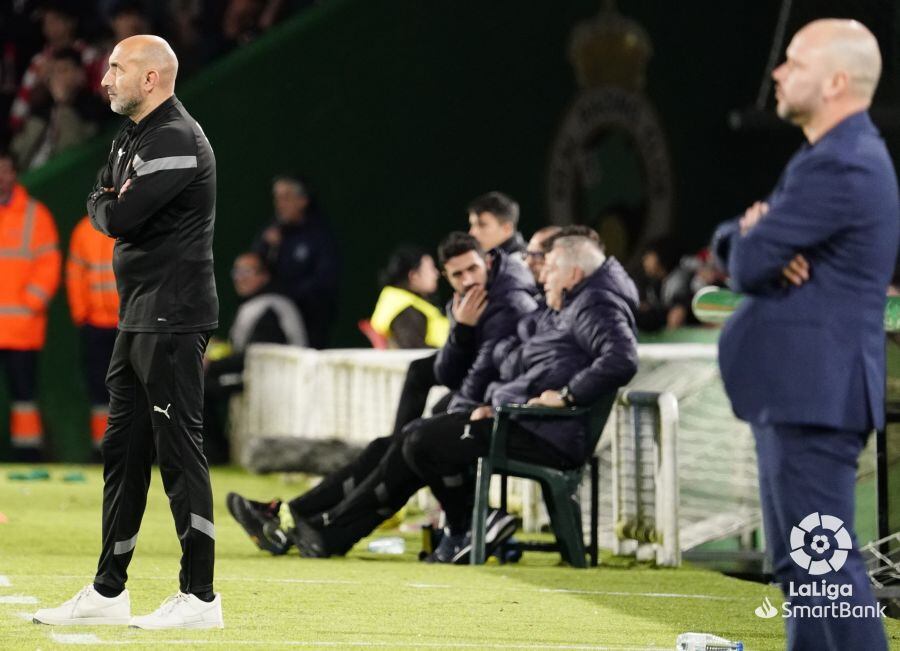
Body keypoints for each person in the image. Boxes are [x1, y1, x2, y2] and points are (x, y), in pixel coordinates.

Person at [712, 19, 895, 651]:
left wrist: (754, 241)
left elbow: (744, 263)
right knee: (805, 571)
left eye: (794, 61)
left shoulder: (842, 164)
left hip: (817, 395)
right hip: (800, 395)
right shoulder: (825, 157)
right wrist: (751, 235)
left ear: (838, 80)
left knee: (825, 570)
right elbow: (743, 246)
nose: (777, 72)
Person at [33, 34, 222, 629]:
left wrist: (110, 204)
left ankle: (201, 598)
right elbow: (103, 200)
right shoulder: (134, 134)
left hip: (172, 316)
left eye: (116, 68)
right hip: (139, 316)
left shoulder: (173, 137)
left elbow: (118, 216)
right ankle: (109, 591)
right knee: (123, 450)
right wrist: (109, 202)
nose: (104, 78)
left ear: (151, 79)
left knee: (178, 451)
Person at [226, 232, 538, 556]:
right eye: (458, 274)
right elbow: (451, 372)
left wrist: (455, 408)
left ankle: (311, 525)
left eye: (472, 269)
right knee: (393, 445)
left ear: (487, 261)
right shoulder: (469, 303)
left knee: (408, 445)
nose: (468, 280)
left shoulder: (508, 302)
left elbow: (483, 374)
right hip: (483, 409)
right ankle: (297, 519)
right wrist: (461, 329)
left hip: (504, 416)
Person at [204, 251, 307, 463]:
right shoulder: (257, 304)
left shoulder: (270, 306)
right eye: (237, 271)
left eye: (247, 271)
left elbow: (257, 356)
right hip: (261, 376)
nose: (240, 277)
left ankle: (214, 453)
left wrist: (212, 364)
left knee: (199, 386)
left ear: (264, 276)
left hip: (276, 382)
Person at [0, 150, 61, 461]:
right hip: (14, 325)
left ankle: (28, 454)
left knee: (24, 399)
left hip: (23, 330)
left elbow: (49, 264)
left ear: (15, 174)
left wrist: (30, 304)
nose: (1, 178)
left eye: (6, 171)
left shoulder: (36, 216)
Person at [253, 174, 339, 349]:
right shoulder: (272, 233)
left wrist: (287, 296)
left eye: (286, 197)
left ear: (302, 200)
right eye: (276, 198)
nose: (279, 204)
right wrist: (267, 248)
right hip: (273, 321)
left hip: (310, 322)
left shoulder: (320, 236)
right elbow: (255, 268)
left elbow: (324, 281)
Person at [66, 213, 118, 459]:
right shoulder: (84, 229)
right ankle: (102, 448)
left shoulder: (138, 222)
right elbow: (75, 274)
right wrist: (81, 315)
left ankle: (138, 448)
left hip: (130, 323)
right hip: (95, 324)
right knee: (98, 388)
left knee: (135, 387)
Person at [11, 46, 107, 170]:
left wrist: (63, 105)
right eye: (54, 72)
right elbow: (18, 153)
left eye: (64, 70)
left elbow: (72, 150)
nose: (58, 77)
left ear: (80, 75)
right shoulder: (41, 109)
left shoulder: (94, 106)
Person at [368, 246, 448, 349]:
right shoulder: (403, 307)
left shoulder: (403, 301)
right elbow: (413, 352)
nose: (436, 274)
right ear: (414, 276)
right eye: (431, 269)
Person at [467, 191, 527, 256]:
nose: (472, 233)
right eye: (472, 225)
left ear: (507, 229)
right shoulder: (491, 258)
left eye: (482, 225)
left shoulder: (524, 261)